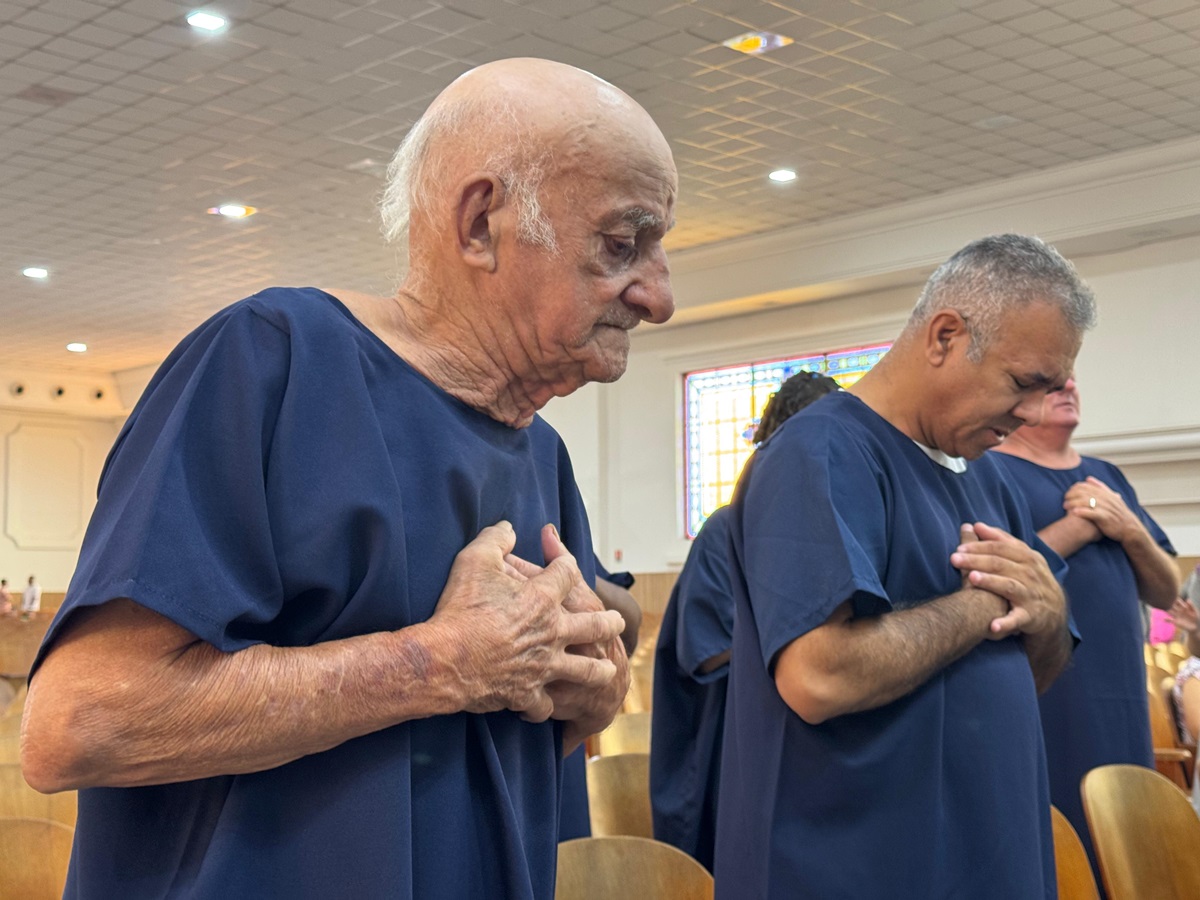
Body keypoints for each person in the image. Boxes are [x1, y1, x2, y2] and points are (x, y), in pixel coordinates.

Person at [20, 57, 677, 900]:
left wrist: (590, 688)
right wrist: (434, 663)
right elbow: (79, 725)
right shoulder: (275, 362)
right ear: (481, 224)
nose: (659, 296)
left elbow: (516, 724)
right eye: (623, 245)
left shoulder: (540, 450)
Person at [714, 234, 1096, 899]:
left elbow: (1033, 669)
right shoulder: (823, 452)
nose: (1033, 413)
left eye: (1050, 389)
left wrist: (1050, 610)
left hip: (988, 851)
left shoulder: (990, 480)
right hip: (859, 862)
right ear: (944, 336)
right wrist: (984, 607)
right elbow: (819, 676)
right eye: (1021, 384)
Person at [991, 375, 1178, 885]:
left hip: (1121, 694)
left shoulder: (1106, 476)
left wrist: (1128, 527)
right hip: (1050, 689)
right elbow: (998, 576)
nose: (1068, 384)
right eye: (1051, 380)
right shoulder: (992, 470)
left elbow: (1165, 590)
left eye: (1071, 377)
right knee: (1059, 836)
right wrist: (1080, 527)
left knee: (1130, 831)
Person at [650, 370, 839, 871]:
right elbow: (708, 649)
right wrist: (811, 641)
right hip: (735, 741)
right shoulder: (724, 530)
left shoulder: (834, 529)